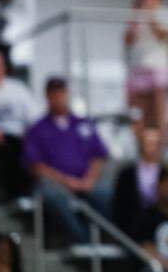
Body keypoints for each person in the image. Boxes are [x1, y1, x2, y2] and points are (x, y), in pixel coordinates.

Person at [22, 77, 110, 243]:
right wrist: (68, 182)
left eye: (61, 92)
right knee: (52, 196)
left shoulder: (83, 123)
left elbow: (98, 156)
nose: (58, 97)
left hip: (86, 182)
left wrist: (88, 181)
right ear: (47, 96)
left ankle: (111, 239)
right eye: (54, 93)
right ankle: (84, 240)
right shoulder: (37, 129)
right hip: (55, 185)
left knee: (106, 195)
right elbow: (37, 166)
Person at [124, 0, 168, 130]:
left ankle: (160, 144)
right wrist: (134, 20)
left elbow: (163, 35)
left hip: (158, 68)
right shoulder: (137, 16)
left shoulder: (165, 13)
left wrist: (151, 17)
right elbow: (127, 40)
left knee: (159, 111)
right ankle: (142, 144)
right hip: (140, 67)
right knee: (140, 111)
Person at [0, 44, 39, 199]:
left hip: (17, 138)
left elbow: (34, 117)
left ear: (5, 66)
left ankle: (18, 196)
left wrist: (29, 134)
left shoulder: (18, 89)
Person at [112, 125, 166, 236]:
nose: (151, 147)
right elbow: (119, 208)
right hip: (133, 232)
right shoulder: (126, 175)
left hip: (162, 230)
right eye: (147, 142)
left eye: (155, 143)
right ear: (140, 143)